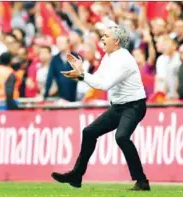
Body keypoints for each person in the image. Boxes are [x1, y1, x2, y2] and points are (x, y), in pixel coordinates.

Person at [52, 25, 150, 191]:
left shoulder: (124, 60)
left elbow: (105, 85)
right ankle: (77, 175)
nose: (102, 39)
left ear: (116, 41)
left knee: (121, 137)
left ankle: (142, 181)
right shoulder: (109, 56)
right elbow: (97, 78)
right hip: (118, 106)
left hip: (134, 106)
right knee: (89, 132)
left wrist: (82, 75)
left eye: (105, 36)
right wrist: (81, 73)